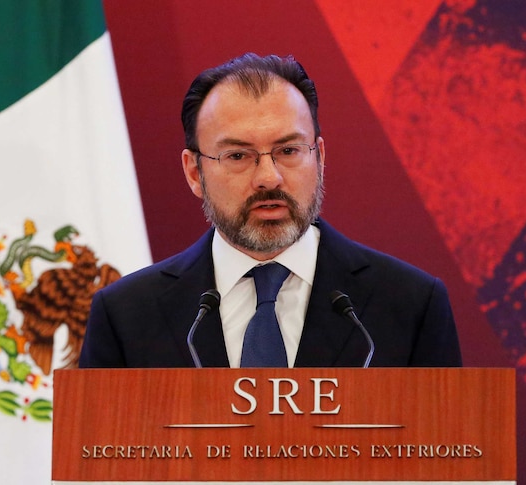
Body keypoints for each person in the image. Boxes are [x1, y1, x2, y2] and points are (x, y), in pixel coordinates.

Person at [78, 53, 461, 368]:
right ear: (195, 172)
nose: (269, 178)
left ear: (320, 158)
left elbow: (448, 453)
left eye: (289, 151)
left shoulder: (409, 304)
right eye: (239, 155)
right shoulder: (127, 315)